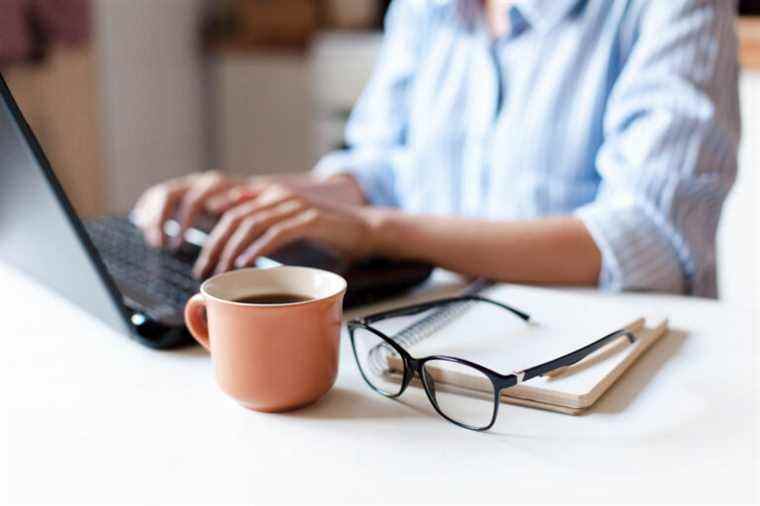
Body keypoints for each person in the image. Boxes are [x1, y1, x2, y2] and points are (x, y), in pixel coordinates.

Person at [133, 0, 740, 297]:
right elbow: (382, 170)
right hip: (444, 346)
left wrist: (379, 230)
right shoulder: (427, 6)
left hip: (610, 371)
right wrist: (253, 199)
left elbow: (651, 241)